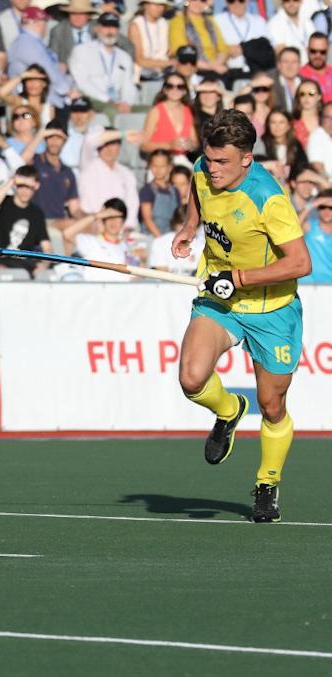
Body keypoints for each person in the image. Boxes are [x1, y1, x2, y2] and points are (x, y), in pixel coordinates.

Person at [170, 109, 311, 523]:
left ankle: (267, 483)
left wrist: (241, 276)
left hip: (272, 309)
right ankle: (229, 410)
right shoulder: (203, 169)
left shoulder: (268, 198)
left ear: (247, 158)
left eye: (222, 162)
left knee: (270, 406)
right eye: (209, 159)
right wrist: (189, 228)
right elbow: (198, 195)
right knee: (191, 378)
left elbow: (300, 262)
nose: (211, 169)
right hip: (221, 297)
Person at [69, 12, 139, 117]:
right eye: (105, 27)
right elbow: (82, 84)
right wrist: (108, 100)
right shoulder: (82, 51)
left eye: (113, 27)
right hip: (91, 100)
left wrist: (126, 103)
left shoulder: (124, 57)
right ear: (97, 29)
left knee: (148, 111)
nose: (110, 31)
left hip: (117, 102)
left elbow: (128, 85)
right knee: (112, 112)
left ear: (118, 30)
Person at [7, 6, 77, 110]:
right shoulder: (26, 42)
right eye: (45, 21)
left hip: (43, 100)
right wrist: (68, 90)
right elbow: (47, 70)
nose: (46, 25)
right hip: (31, 105)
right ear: (39, 23)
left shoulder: (30, 41)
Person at [0, 165, 51, 272]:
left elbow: (47, 247)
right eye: (20, 185)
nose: (24, 190)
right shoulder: (2, 203)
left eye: (28, 187)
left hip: (26, 265)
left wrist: (43, 265)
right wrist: (12, 181)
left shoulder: (37, 213)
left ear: (36, 186)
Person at [62, 197, 144, 274]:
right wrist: (96, 216)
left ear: (123, 221)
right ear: (103, 219)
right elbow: (67, 234)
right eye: (109, 217)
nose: (113, 221)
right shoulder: (90, 241)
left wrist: (143, 262)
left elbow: (134, 280)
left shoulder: (128, 248)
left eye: (117, 217)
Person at [78, 128, 139, 229]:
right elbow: (89, 140)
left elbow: (132, 204)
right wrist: (123, 133)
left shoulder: (127, 174)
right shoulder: (88, 164)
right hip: (92, 226)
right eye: (105, 144)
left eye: (113, 144)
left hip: (121, 230)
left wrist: (126, 227)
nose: (109, 149)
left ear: (119, 147)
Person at [140, 72, 199, 156]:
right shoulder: (156, 111)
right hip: (159, 161)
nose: (175, 90)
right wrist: (168, 145)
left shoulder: (188, 110)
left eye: (180, 87)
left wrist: (190, 145)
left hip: (182, 161)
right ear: (165, 90)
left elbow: (195, 143)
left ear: (185, 91)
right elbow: (144, 145)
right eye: (170, 86)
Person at [169, 0, 230, 76]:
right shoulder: (177, 22)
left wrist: (217, 64)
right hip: (193, 71)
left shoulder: (210, 20)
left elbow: (223, 49)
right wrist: (212, 67)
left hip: (217, 68)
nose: (198, 3)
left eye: (202, 0)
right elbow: (182, 53)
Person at [149, 204, 204, 274]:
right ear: (174, 224)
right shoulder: (159, 243)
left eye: (190, 225)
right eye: (182, 223)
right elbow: (162, 275)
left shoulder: (203, 247)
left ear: (198, 227)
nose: (186, 228)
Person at [138, 149, 180, 238]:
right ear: (149, 166)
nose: (158, 170)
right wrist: (161, 239)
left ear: (170, 167)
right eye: (155, 166)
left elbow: (178, 217)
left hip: (171, 237)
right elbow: (147, 219)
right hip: (151, 237)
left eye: (162, 166)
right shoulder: (147, 190)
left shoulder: (174, 190)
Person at [129, 0, 172, 84]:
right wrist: (168, 63)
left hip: (163, 72)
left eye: (161, 5)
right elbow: (139, 60)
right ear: (146, 5)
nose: (159, 8)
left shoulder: (163, 23)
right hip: (142, 75)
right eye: (155, 4)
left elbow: (168, 51)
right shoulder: (136, 25)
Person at [299, 187, 332, 282]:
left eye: (331, 208)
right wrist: (313, 204)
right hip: (306, 284)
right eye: (322, 207)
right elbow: (293, 226)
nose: (326, 211)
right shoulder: (308, 226)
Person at [301, 32, 332, 102]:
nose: (318, 56)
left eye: (322, 52)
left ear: (328, 51)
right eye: (313, 51)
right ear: (307, 50)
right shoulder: (300, 76)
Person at [292, 77, 323, 146]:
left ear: (319, 96)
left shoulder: (327, 121)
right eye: (302, 94)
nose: (306, 97)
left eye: (311, 93)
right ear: (298, 97)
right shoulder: (292, 123)